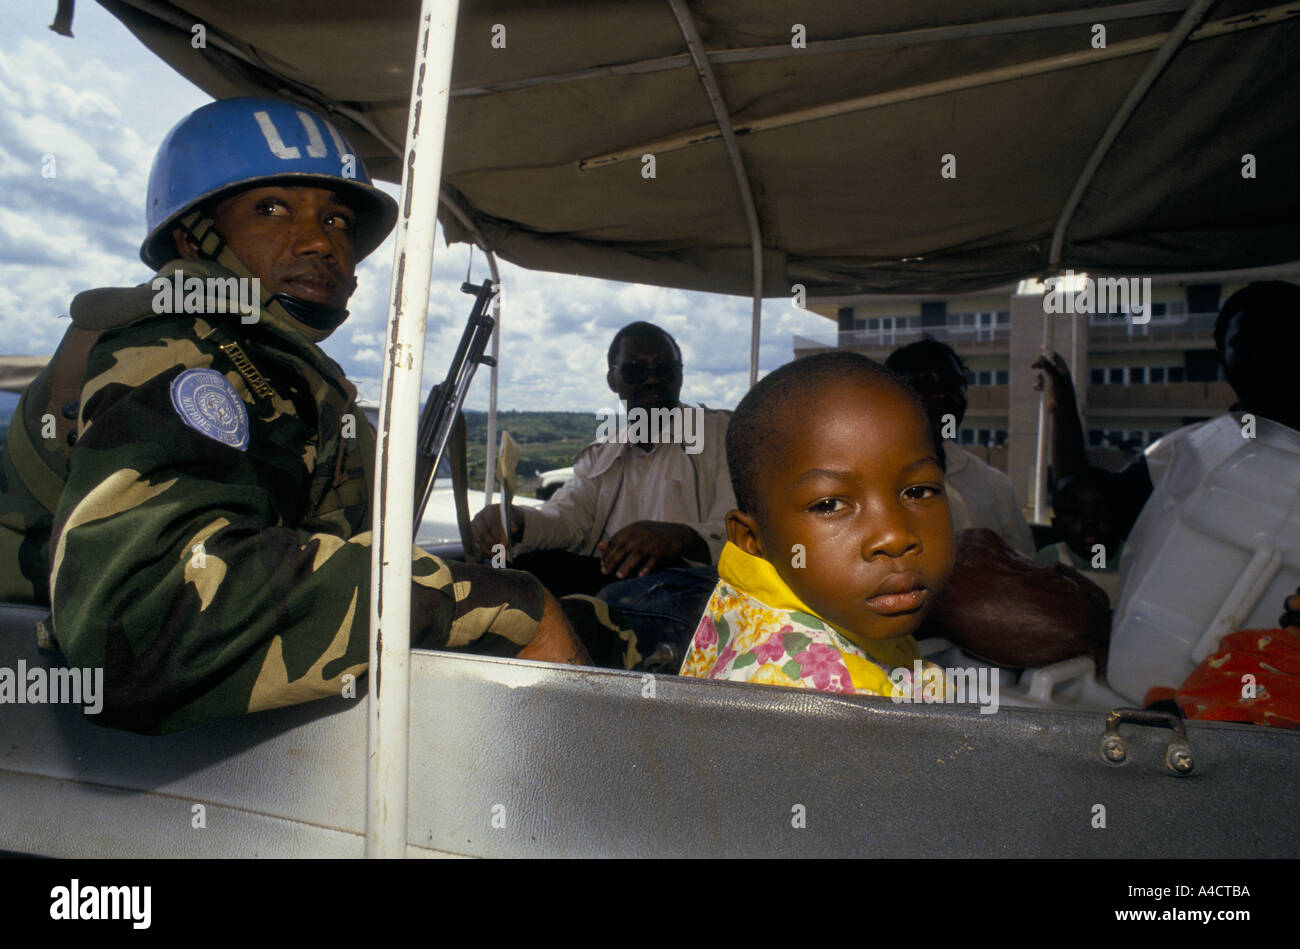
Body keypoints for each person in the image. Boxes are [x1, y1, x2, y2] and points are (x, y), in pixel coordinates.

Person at [0, 97, 586, 734]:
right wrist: (507, 606)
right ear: (191, 237)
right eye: (272, 209)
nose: (321, 242)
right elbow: (140, 621)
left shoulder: (271, 367)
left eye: (337, 219)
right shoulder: (175, 351)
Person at [679, 351, 955, 696]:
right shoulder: (811, 698)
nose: (894, 536)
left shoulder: (770, 611)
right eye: (829, 505)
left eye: (917, 491)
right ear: (752, 538)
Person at [470, 321, 734, 654]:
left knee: (611, 602)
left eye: (664, 367)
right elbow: (567, 519)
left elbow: (740, 534)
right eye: (636, 369)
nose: (652, 377)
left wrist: (679, 537)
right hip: (614, 581)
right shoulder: (603, 453)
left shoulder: (721, 436)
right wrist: (515, 520)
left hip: (690, 590)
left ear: (680, 375)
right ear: (614, 380)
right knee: (514, 577)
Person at [1033, 280, 1300, 540]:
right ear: (1222, 357)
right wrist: (1062, 405)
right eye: (1247, 340)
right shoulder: (1191, 449)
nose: (1263, 351)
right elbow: (1094, 508)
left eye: (1279, 336)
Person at [886, 337, 1035, 556]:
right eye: (924, 386)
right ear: (890, 397)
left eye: (952, 384)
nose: (942, 396)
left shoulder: (995, 485)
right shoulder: (867, 484)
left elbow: (1027, 569)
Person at [1033, 468, 1123, 607]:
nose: (1089, 521)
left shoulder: (1132, 559)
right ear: (1057, 524)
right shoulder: (1049, 560)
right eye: (1075, 513)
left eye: (1100, 511)